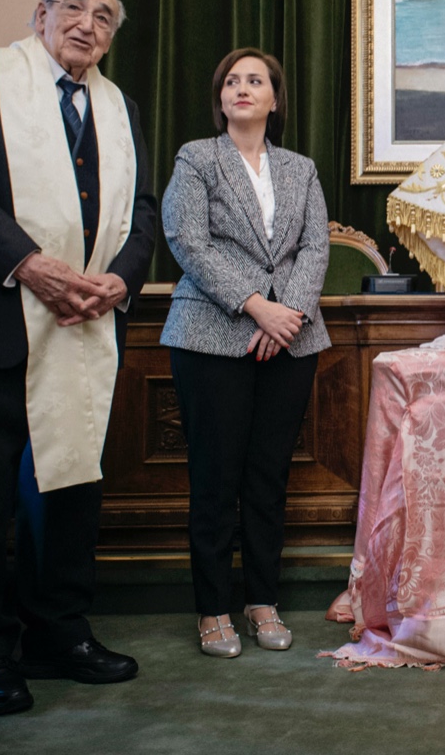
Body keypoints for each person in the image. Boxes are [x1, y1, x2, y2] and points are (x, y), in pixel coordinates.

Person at [0, 0, 158, 715]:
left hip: (86, 322)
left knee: (72, 487)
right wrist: (31, 267)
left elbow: (141, 212)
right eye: (74, 7)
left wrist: (119, 280)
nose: (88, 24)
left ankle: (60, 632)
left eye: (106, 17)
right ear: (41, 14)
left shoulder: (120, 106)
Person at [159, 49, 330, 658]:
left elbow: (315, 248)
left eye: (254, 81)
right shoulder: (197, 157)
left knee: (267, 478)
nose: (241, 88)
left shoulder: (300, 168)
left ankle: (262, 600)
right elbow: (187, 241)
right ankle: (213, 609)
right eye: (231, 80)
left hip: (293, 338)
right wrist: (256, 306)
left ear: (274, 99)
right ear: (221, 98)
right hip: (212, 335)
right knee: (214, 477)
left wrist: (287, 317)